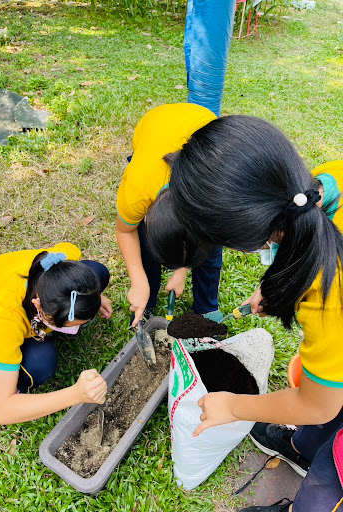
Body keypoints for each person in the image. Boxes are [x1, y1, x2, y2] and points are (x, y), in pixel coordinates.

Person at [147, 115, 343, 511]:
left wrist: (233, 406)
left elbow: (319, 404)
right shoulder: (315, 188)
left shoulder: (326, 297)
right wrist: (279, 283)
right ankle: (300, 447)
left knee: (331, 477)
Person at [0, 242, 112, 425]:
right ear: (39, 306)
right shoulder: (1, 319)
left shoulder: (59, 261)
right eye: (67, 325)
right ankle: (19, 383)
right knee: (40, 363)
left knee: (97, 272)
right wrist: (75, 394)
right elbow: (1, 412)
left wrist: (91, 300)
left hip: (15, 300)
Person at [116, 103, 223, 327]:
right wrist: (138, 283)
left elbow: (201, 239)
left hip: (204, 126)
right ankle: (148, 300)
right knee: (145, 246)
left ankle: (206, 309)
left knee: (211, 248)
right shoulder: (139, 189)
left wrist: (182, 269)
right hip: (155, 123)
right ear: (147, 217)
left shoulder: (217, 191)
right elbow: (125, 231)